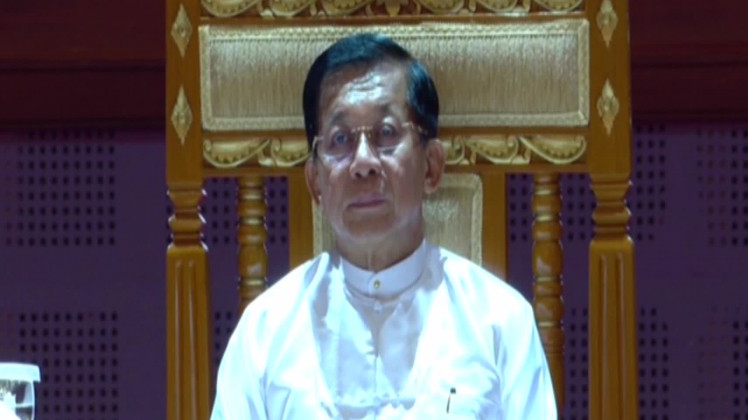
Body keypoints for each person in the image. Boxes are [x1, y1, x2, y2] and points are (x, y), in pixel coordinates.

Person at [210, 33, 557, 419]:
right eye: (340, 139)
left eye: (387, 133)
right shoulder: (264, 333)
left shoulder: (500, 322)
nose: (363, 162)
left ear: (431, 166)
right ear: (315, 182)